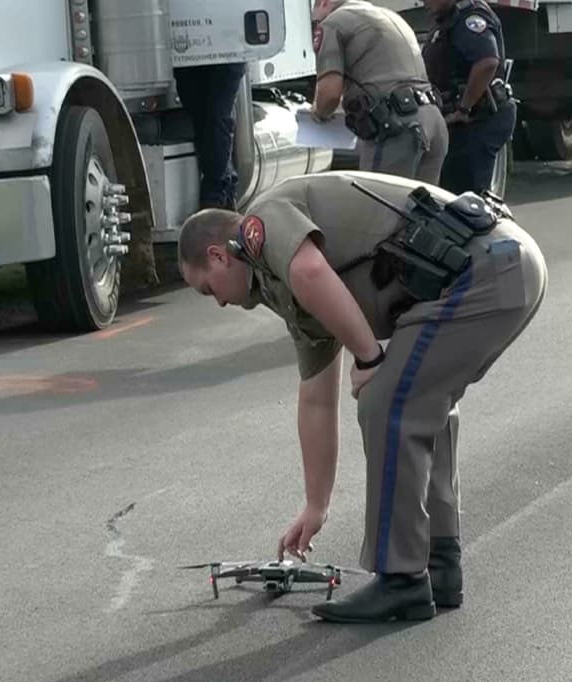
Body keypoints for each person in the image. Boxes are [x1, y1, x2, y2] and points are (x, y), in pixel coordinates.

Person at [176, 170, 547, 623]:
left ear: (217, 256)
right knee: (419, 401)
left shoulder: (262, 223)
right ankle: (439, 566)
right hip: (501, 266)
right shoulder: (281, 284)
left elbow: (311, 270)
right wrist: (316, 506)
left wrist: (369, 358)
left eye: (208, 289)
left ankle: (402, 580)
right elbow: (316, 398)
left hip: (489, 268)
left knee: (387, 403)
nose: (217, 302)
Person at [310, 0, 449, 183]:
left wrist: (317, 113)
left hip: (397, 129)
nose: (316, 24)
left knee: (377, 200)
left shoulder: (332, 23)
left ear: (324, 2)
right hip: (434, 122)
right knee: (421, 201)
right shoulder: (389, 16)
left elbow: (330, 95)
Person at [421, 0, 517, 194]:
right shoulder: (446, 19)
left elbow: (487, 62)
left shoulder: (469, 18)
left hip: (477, 120)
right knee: (452, 194)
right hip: (461, 123)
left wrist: (463, 108)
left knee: (468, 199)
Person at [174, 62, 248, 210]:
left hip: (227, 54)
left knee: (217, 115)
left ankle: (214, 196)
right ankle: (225, 191)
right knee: (202, 116)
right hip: (189, 57)